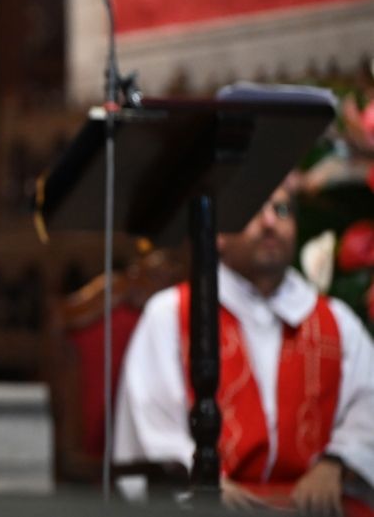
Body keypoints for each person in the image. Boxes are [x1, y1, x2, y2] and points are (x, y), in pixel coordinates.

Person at [114, 176, 374, 514]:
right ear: (217, 235)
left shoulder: (336, 321)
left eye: (281, 210)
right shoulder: (171, 314)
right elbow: (151, 421)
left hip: (312, 505)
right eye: (254, 209)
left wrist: (336, 463)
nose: (270, 222)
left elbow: (368, 405)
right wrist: (203, 479)